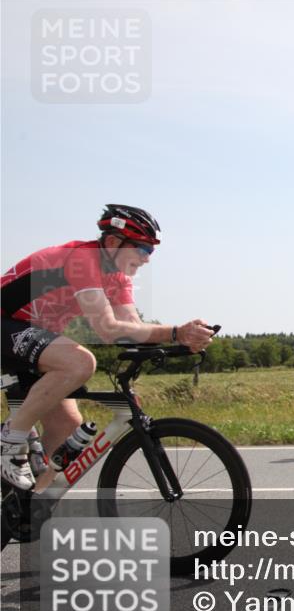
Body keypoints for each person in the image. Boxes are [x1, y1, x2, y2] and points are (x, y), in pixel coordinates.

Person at [1, 204, 215, 490]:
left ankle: (30, 504)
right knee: (80, 363)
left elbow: (132, 328)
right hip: (6, 323)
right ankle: (9, 442)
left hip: (31, 338)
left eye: (151, 251)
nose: (147, 258)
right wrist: (176, 332)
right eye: (143, 249)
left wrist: (183, 342)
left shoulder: (118, 278)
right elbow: (109, 328)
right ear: (113, 242)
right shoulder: (83, 260)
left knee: (66, 426)